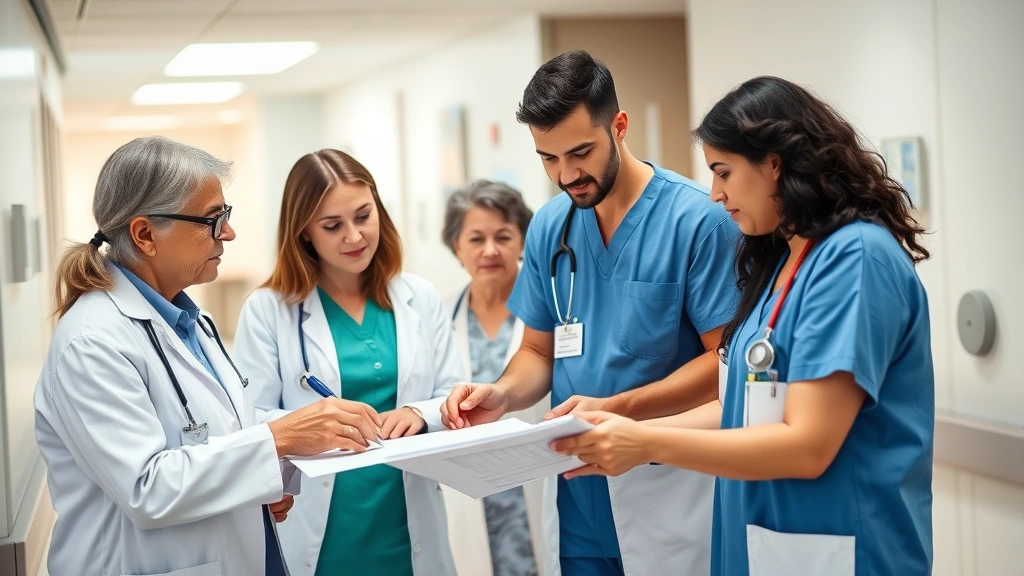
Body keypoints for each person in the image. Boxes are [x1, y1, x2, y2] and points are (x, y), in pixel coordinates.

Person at [550, 76, 935, 576]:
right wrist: (625, 426)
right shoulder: (780, 263)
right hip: (759, 544)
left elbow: (808, 444)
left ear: (774, 164)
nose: (714, 194)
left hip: (842, 546)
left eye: (723, 172)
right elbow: (744, 410)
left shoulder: (855, 260)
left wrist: (647, 443)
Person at [441, 50, 741, 576]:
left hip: (667, 485)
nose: (566, 174)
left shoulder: (698, 221)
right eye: (548, 158)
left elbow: (726, 363)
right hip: (577, 492)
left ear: (618, 126)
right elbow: (538, 349)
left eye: (580, 152)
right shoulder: (550, 226)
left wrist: (619, 407)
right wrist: (503, 394)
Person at [34, 136, 382, 576]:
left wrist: (263, 478)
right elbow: (147, 488)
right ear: (145, 235)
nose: (229, 233)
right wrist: (278, 438)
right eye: (213, 219)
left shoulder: (191, 322)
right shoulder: (92, 342)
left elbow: (215, 440)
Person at [234, 149, 461, 576]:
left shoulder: (419, 296)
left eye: (363, 216)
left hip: (407, 518)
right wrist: (317, 424)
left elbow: (453, 392)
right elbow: (251, 419)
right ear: (304, 233)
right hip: (324, 528)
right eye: (332, 226)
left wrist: (419, 411)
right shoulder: (269, 310)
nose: (355, 237)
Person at [441, 179, 545, 576]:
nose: (490, 250)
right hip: (469, 495)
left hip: (534, 488)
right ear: (457, 247)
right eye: (476, 238)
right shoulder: (438, 317)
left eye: (503, 236)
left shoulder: (548, 312)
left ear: (522, 242)